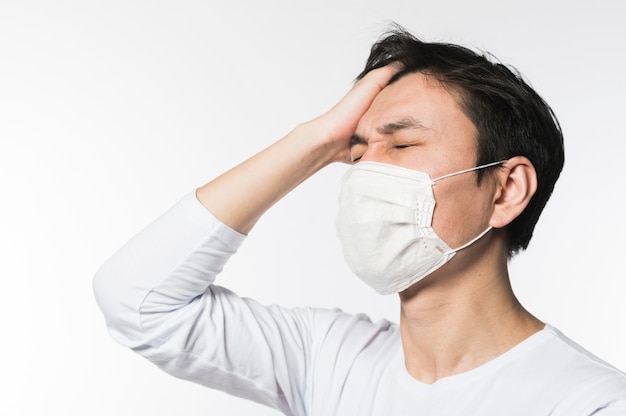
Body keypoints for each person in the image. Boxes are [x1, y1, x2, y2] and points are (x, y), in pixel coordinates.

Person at [93, 27, 626, 415]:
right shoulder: (327, 357)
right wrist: (316, 140)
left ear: (506, 190)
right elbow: (137, 302)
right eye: (357, 153)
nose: (368, 170)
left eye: (402, 143)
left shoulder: (588, 401)